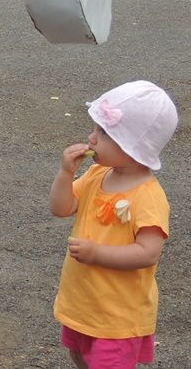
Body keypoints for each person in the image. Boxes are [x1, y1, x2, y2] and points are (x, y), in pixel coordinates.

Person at [50, 81, 177, 369]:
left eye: (104, 132)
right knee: (79, 355)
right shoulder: (98, 174)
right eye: (95, 128)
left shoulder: (147, 196)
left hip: (118, 315)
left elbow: (148, 253)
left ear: (134, 147)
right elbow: (62, 208)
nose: (92, 139)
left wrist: (98, 254)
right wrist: (65, 174)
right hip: (85, 303)